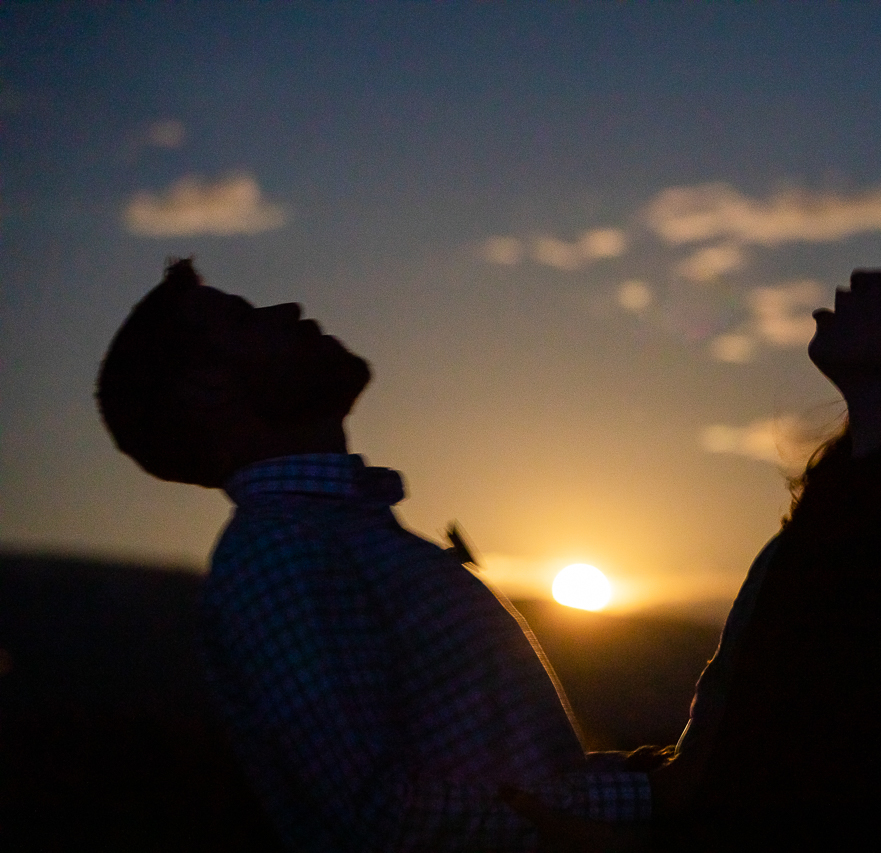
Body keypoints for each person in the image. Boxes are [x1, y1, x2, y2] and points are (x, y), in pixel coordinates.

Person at [510, 231, 881, 852]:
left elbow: (834, 795)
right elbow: (753, 743)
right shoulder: (872, 504)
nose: (861, 275)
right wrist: (637, 786)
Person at [95, 259, 650, 853]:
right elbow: (382, 819)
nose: (285, 311)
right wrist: (648, 798)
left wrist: (641, 777)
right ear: (208, 388)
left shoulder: (331, 536)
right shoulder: (280, 552)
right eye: (244, 318)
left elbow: (496, 772)